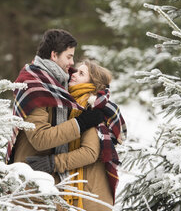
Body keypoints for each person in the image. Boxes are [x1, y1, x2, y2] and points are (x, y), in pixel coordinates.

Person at [6, 29, 105, 185]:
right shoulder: (35, 88)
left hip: (45, 178)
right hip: (30, 177)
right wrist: (81, 123)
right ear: (54, 55)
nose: (72, 63)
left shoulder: (57, 83)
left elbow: (94, 79)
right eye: (69, 57)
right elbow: (40, 138)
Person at [26, 60, 127, 210]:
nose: (73, 75)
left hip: (89, 195)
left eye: (81, 73)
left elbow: (90, 152)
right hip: (81, 191)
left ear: (94, 83)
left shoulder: (90, 106)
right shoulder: (71, 103)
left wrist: (53, 163)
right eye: (75, 71)